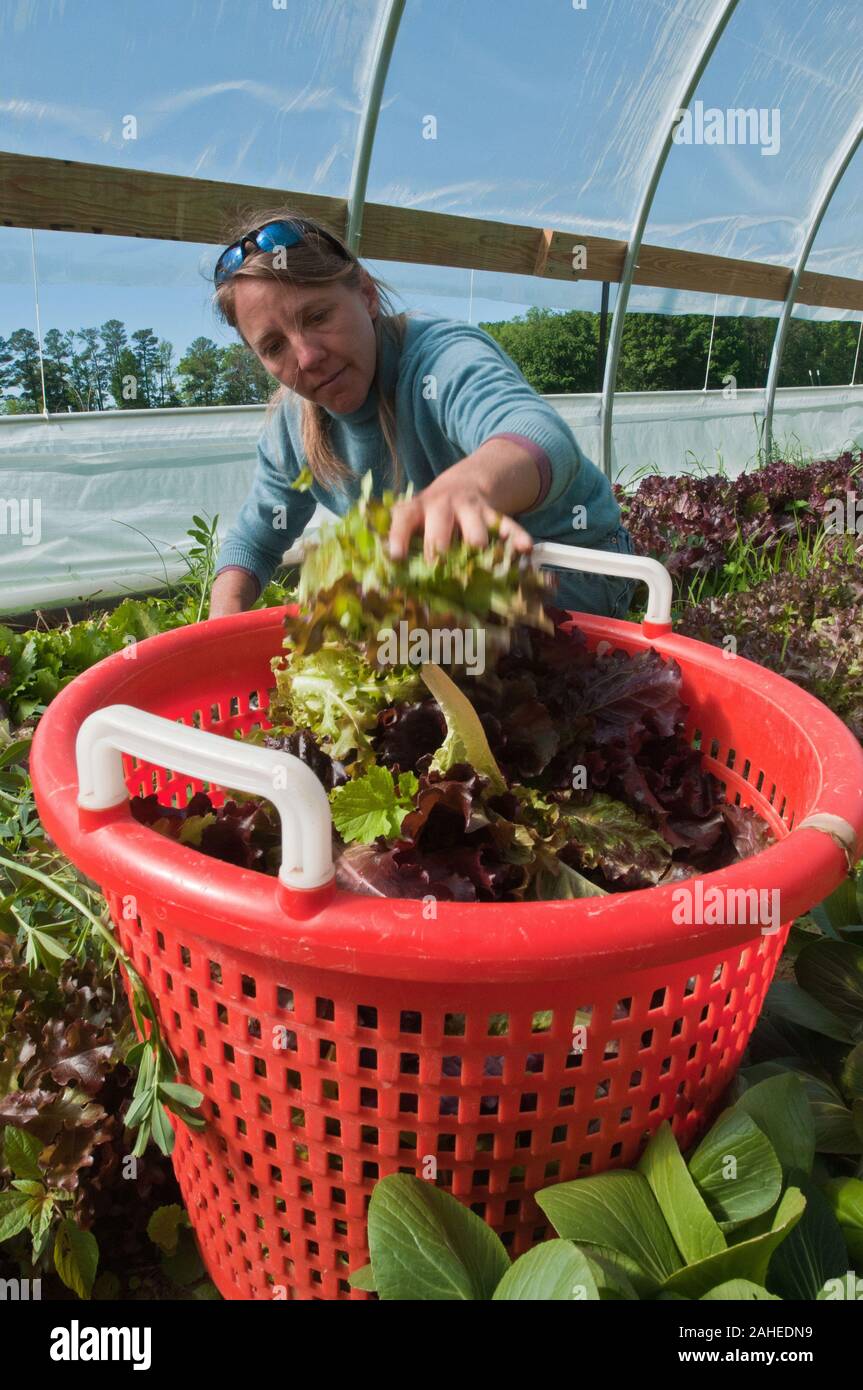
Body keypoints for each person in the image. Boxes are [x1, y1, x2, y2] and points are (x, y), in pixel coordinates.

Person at [208, 211, 636, 619]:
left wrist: (468, 487)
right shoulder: (293, 423)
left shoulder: (437, 357)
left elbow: (542, 437)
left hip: (572, 562)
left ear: (366, 295)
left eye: (318, 316)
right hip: (457, 582)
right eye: (274, 347)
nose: (307, 356)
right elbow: (254, 540)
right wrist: (220, 628)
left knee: (434, 652)